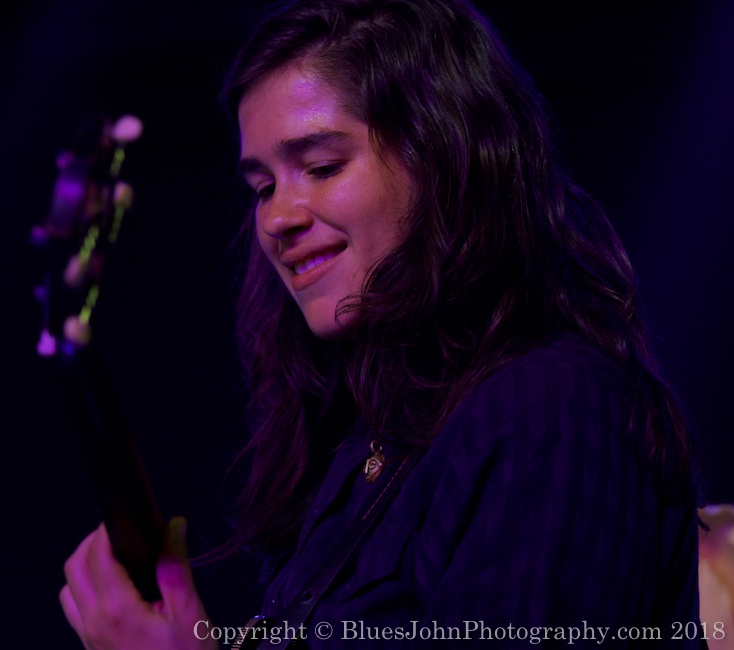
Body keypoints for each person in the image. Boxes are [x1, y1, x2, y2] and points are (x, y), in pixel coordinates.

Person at [60, 0, 704, 647]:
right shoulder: (366, 444)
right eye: (262, 187)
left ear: (442, 155)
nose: (278, 216)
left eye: (320, 167)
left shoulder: (548, 405)